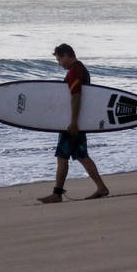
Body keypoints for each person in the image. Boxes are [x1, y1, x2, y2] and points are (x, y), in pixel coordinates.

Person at [39, 44, 110, 203]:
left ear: (66, 55)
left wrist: (73, 122)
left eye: (59, 60)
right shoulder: (81, 69)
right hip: (79, 121)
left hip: (73, 123)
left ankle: (57, 194)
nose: (59, 64)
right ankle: (101, 187)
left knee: (62, 156)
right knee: (81, 155)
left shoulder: (75, 71)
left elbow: (76, 97)